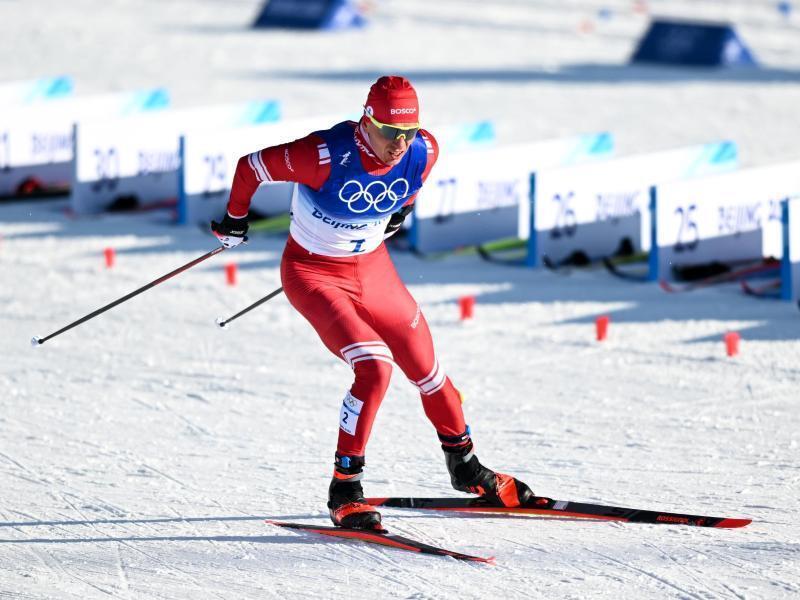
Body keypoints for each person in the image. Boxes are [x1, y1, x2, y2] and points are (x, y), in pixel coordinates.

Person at [211, 76, 534, 531]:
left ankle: (465, 466)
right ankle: (345, 488)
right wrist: (234, 219)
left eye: (408, 132)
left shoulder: (424, 150)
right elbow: (250, 167)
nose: (399, 144)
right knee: (374, 366)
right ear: (367, 120)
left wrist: (398, 215)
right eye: (388, 132)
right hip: (313, 273)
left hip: (372, 269)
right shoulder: (321, 155)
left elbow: (411, 185)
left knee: (428, 368)